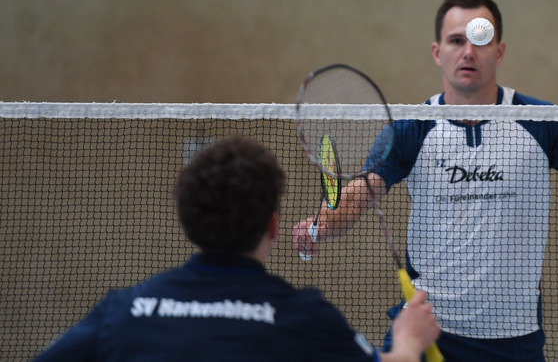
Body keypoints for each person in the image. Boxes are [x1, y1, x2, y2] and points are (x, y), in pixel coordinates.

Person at [293, 0, 558, 362]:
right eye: (456, 40)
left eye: (481, 39)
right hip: (428, 333)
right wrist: (320, 224)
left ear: (499, 51)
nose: (468, 51)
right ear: (438, 51)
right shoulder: (411, 128)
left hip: (514, 340)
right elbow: (358, 194)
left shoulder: (542, 121)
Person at [36, 135, 439, 362]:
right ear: (274, 226)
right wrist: (408, 341)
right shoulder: (305, 317)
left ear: (187, 220)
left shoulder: (124, 313)